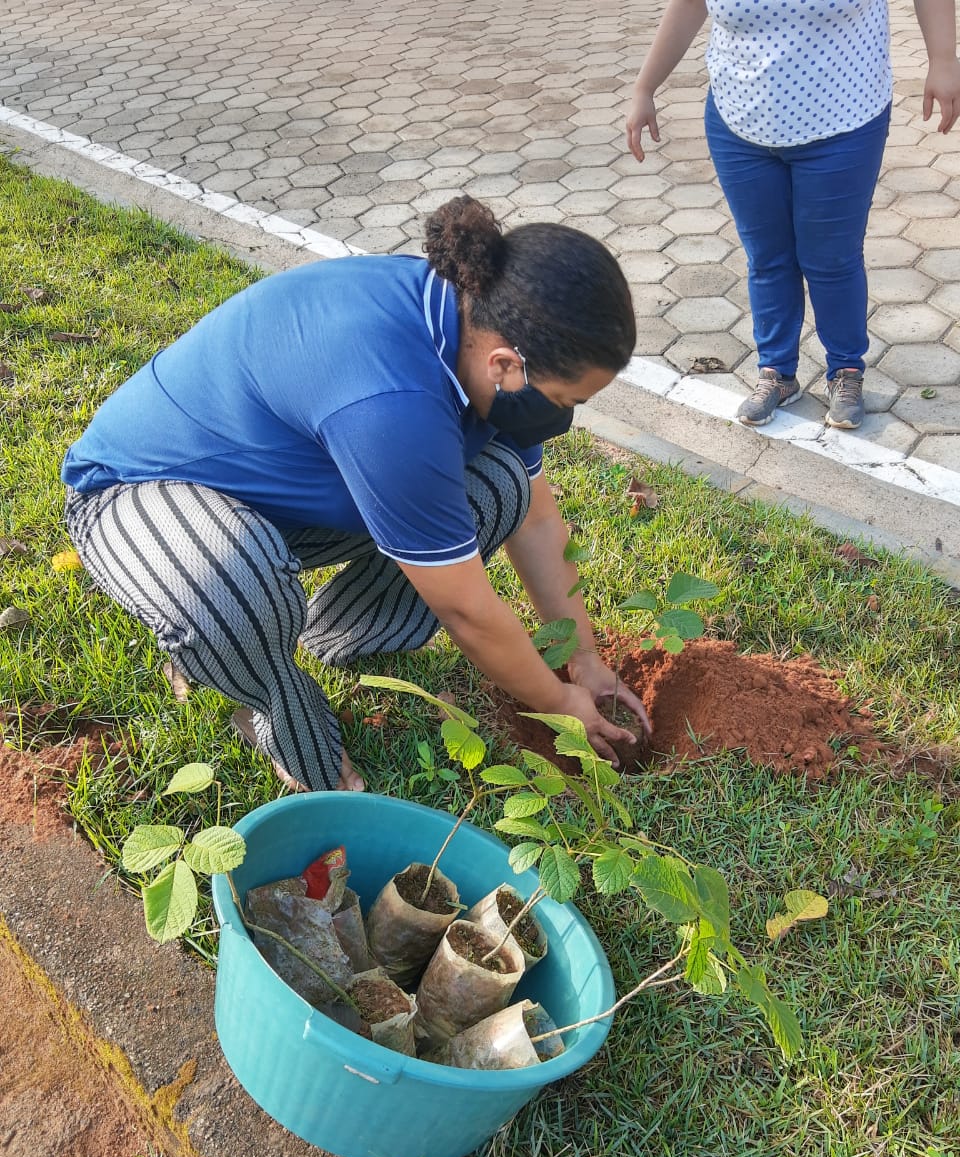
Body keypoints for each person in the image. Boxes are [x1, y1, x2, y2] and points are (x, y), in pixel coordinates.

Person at [61, 195, 650, 794]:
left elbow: (538, 524)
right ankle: (278, 704)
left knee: (497, 485)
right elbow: (466, 609)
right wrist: (556, 702)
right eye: (567, 400)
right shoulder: (393, 401)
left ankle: (334, 637)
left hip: (283, 495)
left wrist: (585, 658)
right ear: (506, 365)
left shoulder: (472, 321)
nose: (566, 416)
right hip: (137, 497)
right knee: (226, 592)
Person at [626, 0, 960, 430]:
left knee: (831, 259)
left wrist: (943, 59)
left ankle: (845, 370)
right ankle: (777, 373)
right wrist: (644, 88)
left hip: (845, 116)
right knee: (767, 256)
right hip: (740, 119)